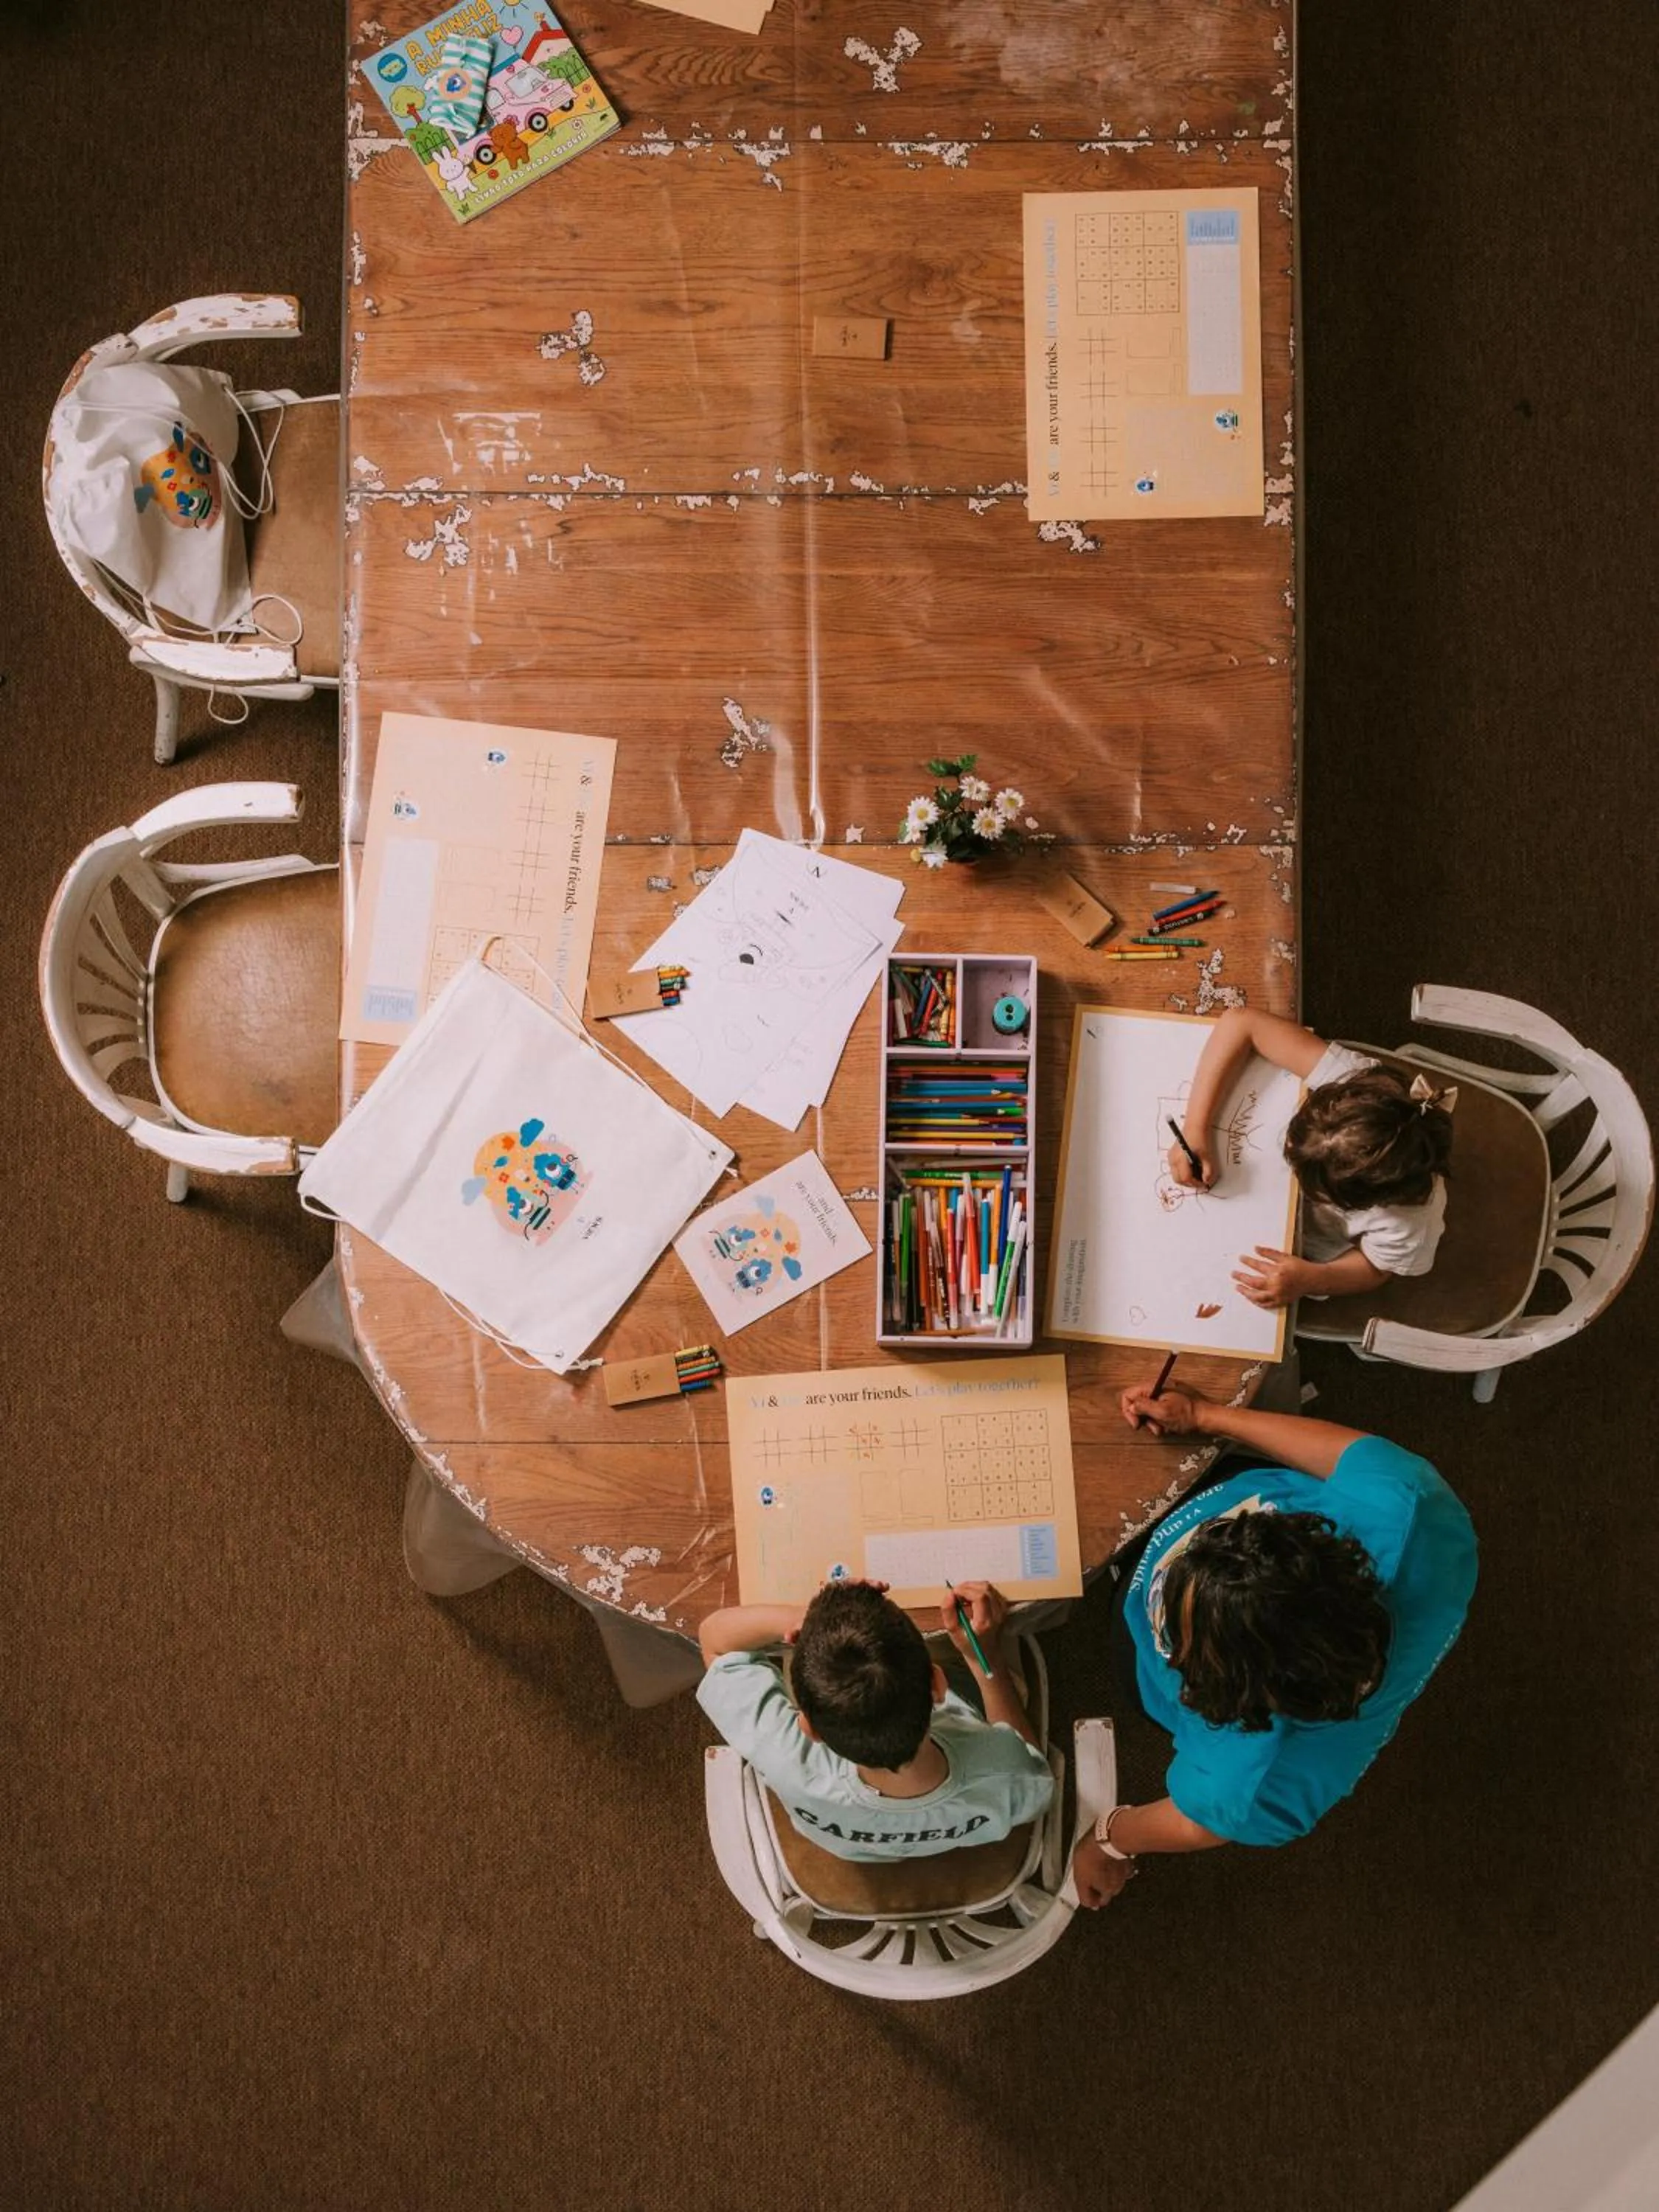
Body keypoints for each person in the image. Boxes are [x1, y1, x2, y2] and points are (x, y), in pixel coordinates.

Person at [1072, 1385, 1477, 1909]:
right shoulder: (1416, 1516)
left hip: (1138, 1631)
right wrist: (1207, 1415)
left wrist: (1108, 1836)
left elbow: (1197, 1822)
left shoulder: (1260, 1780)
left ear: (1231, 1697)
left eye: (1189, 1640)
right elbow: (1349, 1454)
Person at [698, 1577, 1054, 1860]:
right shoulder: (1004, 1770)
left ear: (809, 1729)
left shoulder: (782, 1754)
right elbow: (1035, 1783)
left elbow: (714, 1640)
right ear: (937, 1684)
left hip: (852, 1847)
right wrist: (983, 1656)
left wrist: (805, 1618)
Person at [1169, 1006, 1455, 1309]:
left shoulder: (1409, 1223)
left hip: (1295, 1242)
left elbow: (1376, 1269)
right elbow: (1242, 1023)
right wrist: (1195, 1128)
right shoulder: (1359, 1087)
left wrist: (1312, 1279)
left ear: (1356, 1202)